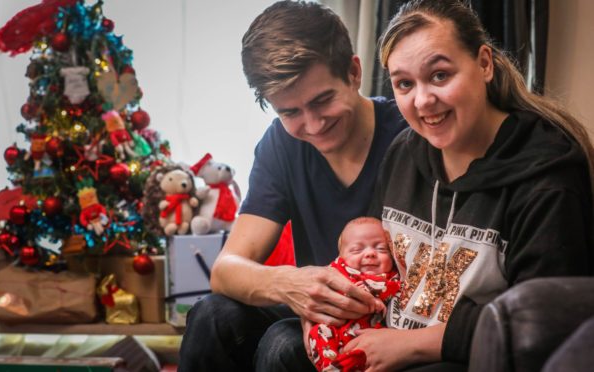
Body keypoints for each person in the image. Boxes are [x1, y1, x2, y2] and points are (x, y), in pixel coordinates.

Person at [357, 0, 594, 371]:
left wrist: (414, 345)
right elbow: (372, 257)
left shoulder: (549, 178)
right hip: (387, 335)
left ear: (484, 64)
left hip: (470, 359)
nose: (423, 101)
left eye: (439, 75)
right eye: (404, 84)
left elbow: (541, 325)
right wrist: (331, 307)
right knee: (283, 343)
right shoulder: (403, 152)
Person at [178, 1, 406, 371]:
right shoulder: (281, 145)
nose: (313, 125)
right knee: (211, 316)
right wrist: (291, 285)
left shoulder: (406, 132)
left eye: (323, 100)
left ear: (353, 72)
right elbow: (226, 270)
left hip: (392, 317)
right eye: (290, 112)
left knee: (281, 344)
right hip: (315, 314)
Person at [308, 217, 400, 372]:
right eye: (357, 250)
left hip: (371, 333)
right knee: (317, 332)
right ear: (341, 256)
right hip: (335, 329)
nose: (370, 253)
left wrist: (371, 292)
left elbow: (392, 288)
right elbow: (320, 286)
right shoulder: (336, 270)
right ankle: (329, 366)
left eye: (381, 249)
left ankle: (349, 364)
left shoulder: (391, 277)